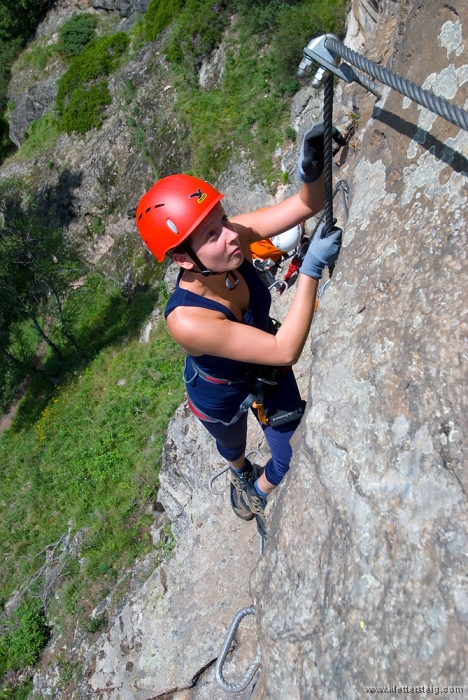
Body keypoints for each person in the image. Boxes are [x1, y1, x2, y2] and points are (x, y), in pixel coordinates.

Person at [136, 123, 345, 538]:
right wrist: (310, 269)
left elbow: (307, 205)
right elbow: (286, 350)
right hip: (220, 391)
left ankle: (256, 493)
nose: (231, 235)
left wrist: (311, 169)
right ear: (183, 258)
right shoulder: (187, 320)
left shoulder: (230, 242)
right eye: (212, 234)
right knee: (232, 445)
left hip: (262, 371)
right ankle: (239, 472)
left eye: (223, 219)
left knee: (287, 456)